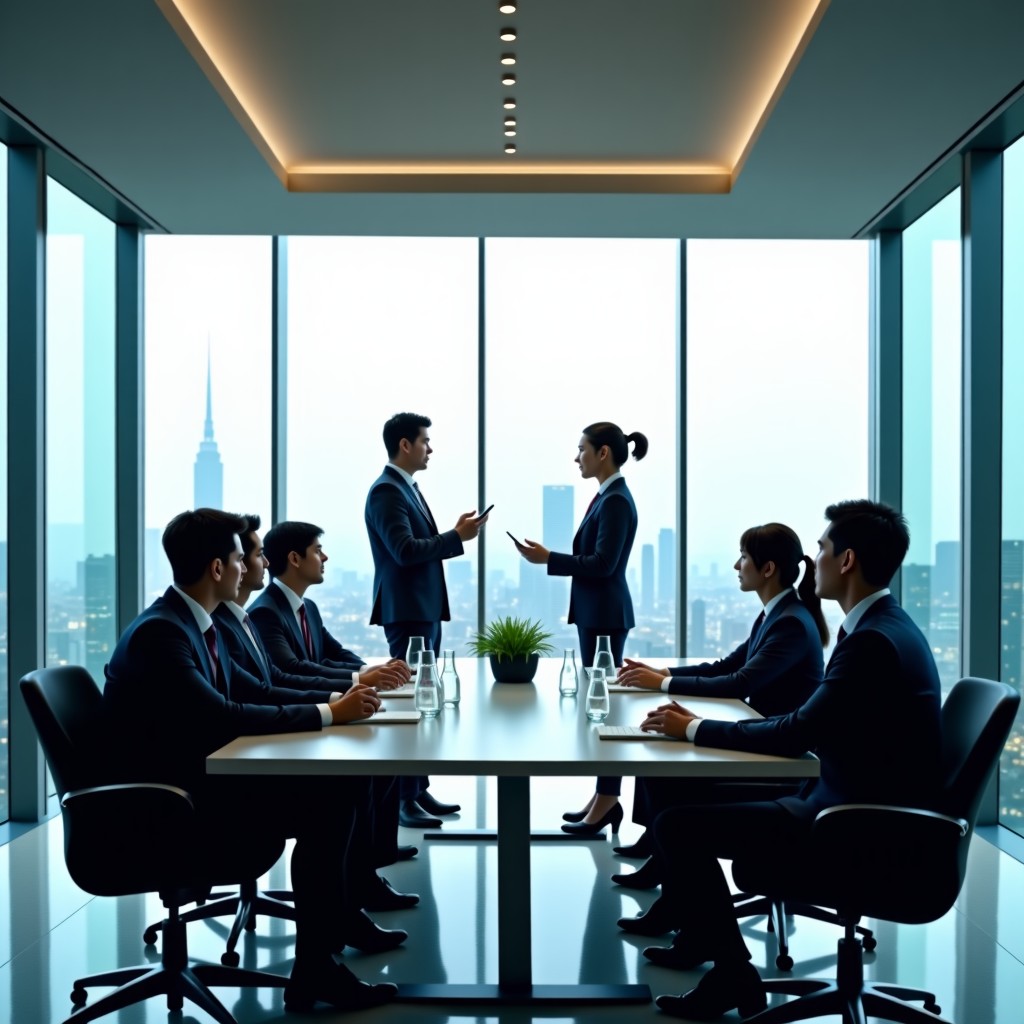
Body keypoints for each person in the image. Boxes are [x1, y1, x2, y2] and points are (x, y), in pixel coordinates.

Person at [624, 500, 942, 1020]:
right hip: (848, 801)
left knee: (679, 826)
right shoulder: (883, 626)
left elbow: (796, 732)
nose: (811, 559)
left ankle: (732, 976)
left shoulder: (872, 641)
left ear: (846, 561)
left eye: (820, 549)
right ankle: (706, 944)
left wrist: (696, 729)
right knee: (675, 802)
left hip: (851, 823)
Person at [102, 509, 399, 1012]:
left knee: (340, 787)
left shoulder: (193, 624)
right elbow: (221, 715)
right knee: (332, 799)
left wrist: (334, 707)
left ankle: (324, 952)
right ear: (218, 568)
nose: (248, 570)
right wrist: (330, 713)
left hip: (197, 783)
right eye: (242, 558)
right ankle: (317, 969)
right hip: (168, 808)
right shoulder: (164, 633)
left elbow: (256, 691)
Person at [611, 522, 827, 889]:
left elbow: (741, 682)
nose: (736, 565)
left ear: (768, 568)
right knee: (659, 760)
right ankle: (659, 852)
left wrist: (662, 683)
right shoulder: (776, 613)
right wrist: (662, 671)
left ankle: (664, 861)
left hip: (779, 758)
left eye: (743, 557)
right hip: (763, 738)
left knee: (666, 768)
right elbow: (728, 666)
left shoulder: (789, 622)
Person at [213, 513, 418, 872]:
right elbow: (284, 676)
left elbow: (310, 663)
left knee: (372, 765)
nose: (258, 566)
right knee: (349, 783)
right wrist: (343, 698)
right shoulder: (255, 615)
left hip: (265, 735)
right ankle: (346, 903)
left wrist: (367, 675)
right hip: (234, 769)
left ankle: (369, 870)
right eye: (253, 557)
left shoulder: (258, 615)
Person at [515, 421, 647, 835]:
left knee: (603, 709)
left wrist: (548, 559)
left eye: (582, 450)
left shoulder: (616, 502)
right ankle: (603, 796)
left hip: (604, 616)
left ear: (603, 452)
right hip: (598, 614)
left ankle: (607, 799)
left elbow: (603, 565)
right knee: (600, 707)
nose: (577, 458)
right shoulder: (607, 497)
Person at [365, 412, 484, 827]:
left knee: (420, 700)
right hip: (408, 612)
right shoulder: (386, 492)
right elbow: (405, 550)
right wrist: (456, 537)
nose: (430, 449)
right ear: (404, 445)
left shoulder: (405, 488)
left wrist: (454, 534)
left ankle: (417, 790)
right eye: (425, 441)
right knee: (409, 702)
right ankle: (403, 799)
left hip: (421, 610)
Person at [247, 520, 408, 690]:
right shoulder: (265, 613)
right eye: (317, 551)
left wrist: (372, 670)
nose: (325, 557)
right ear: (295, 558)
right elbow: (292, 668)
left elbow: (335, 653)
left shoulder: (309, 607)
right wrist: (362, 678)